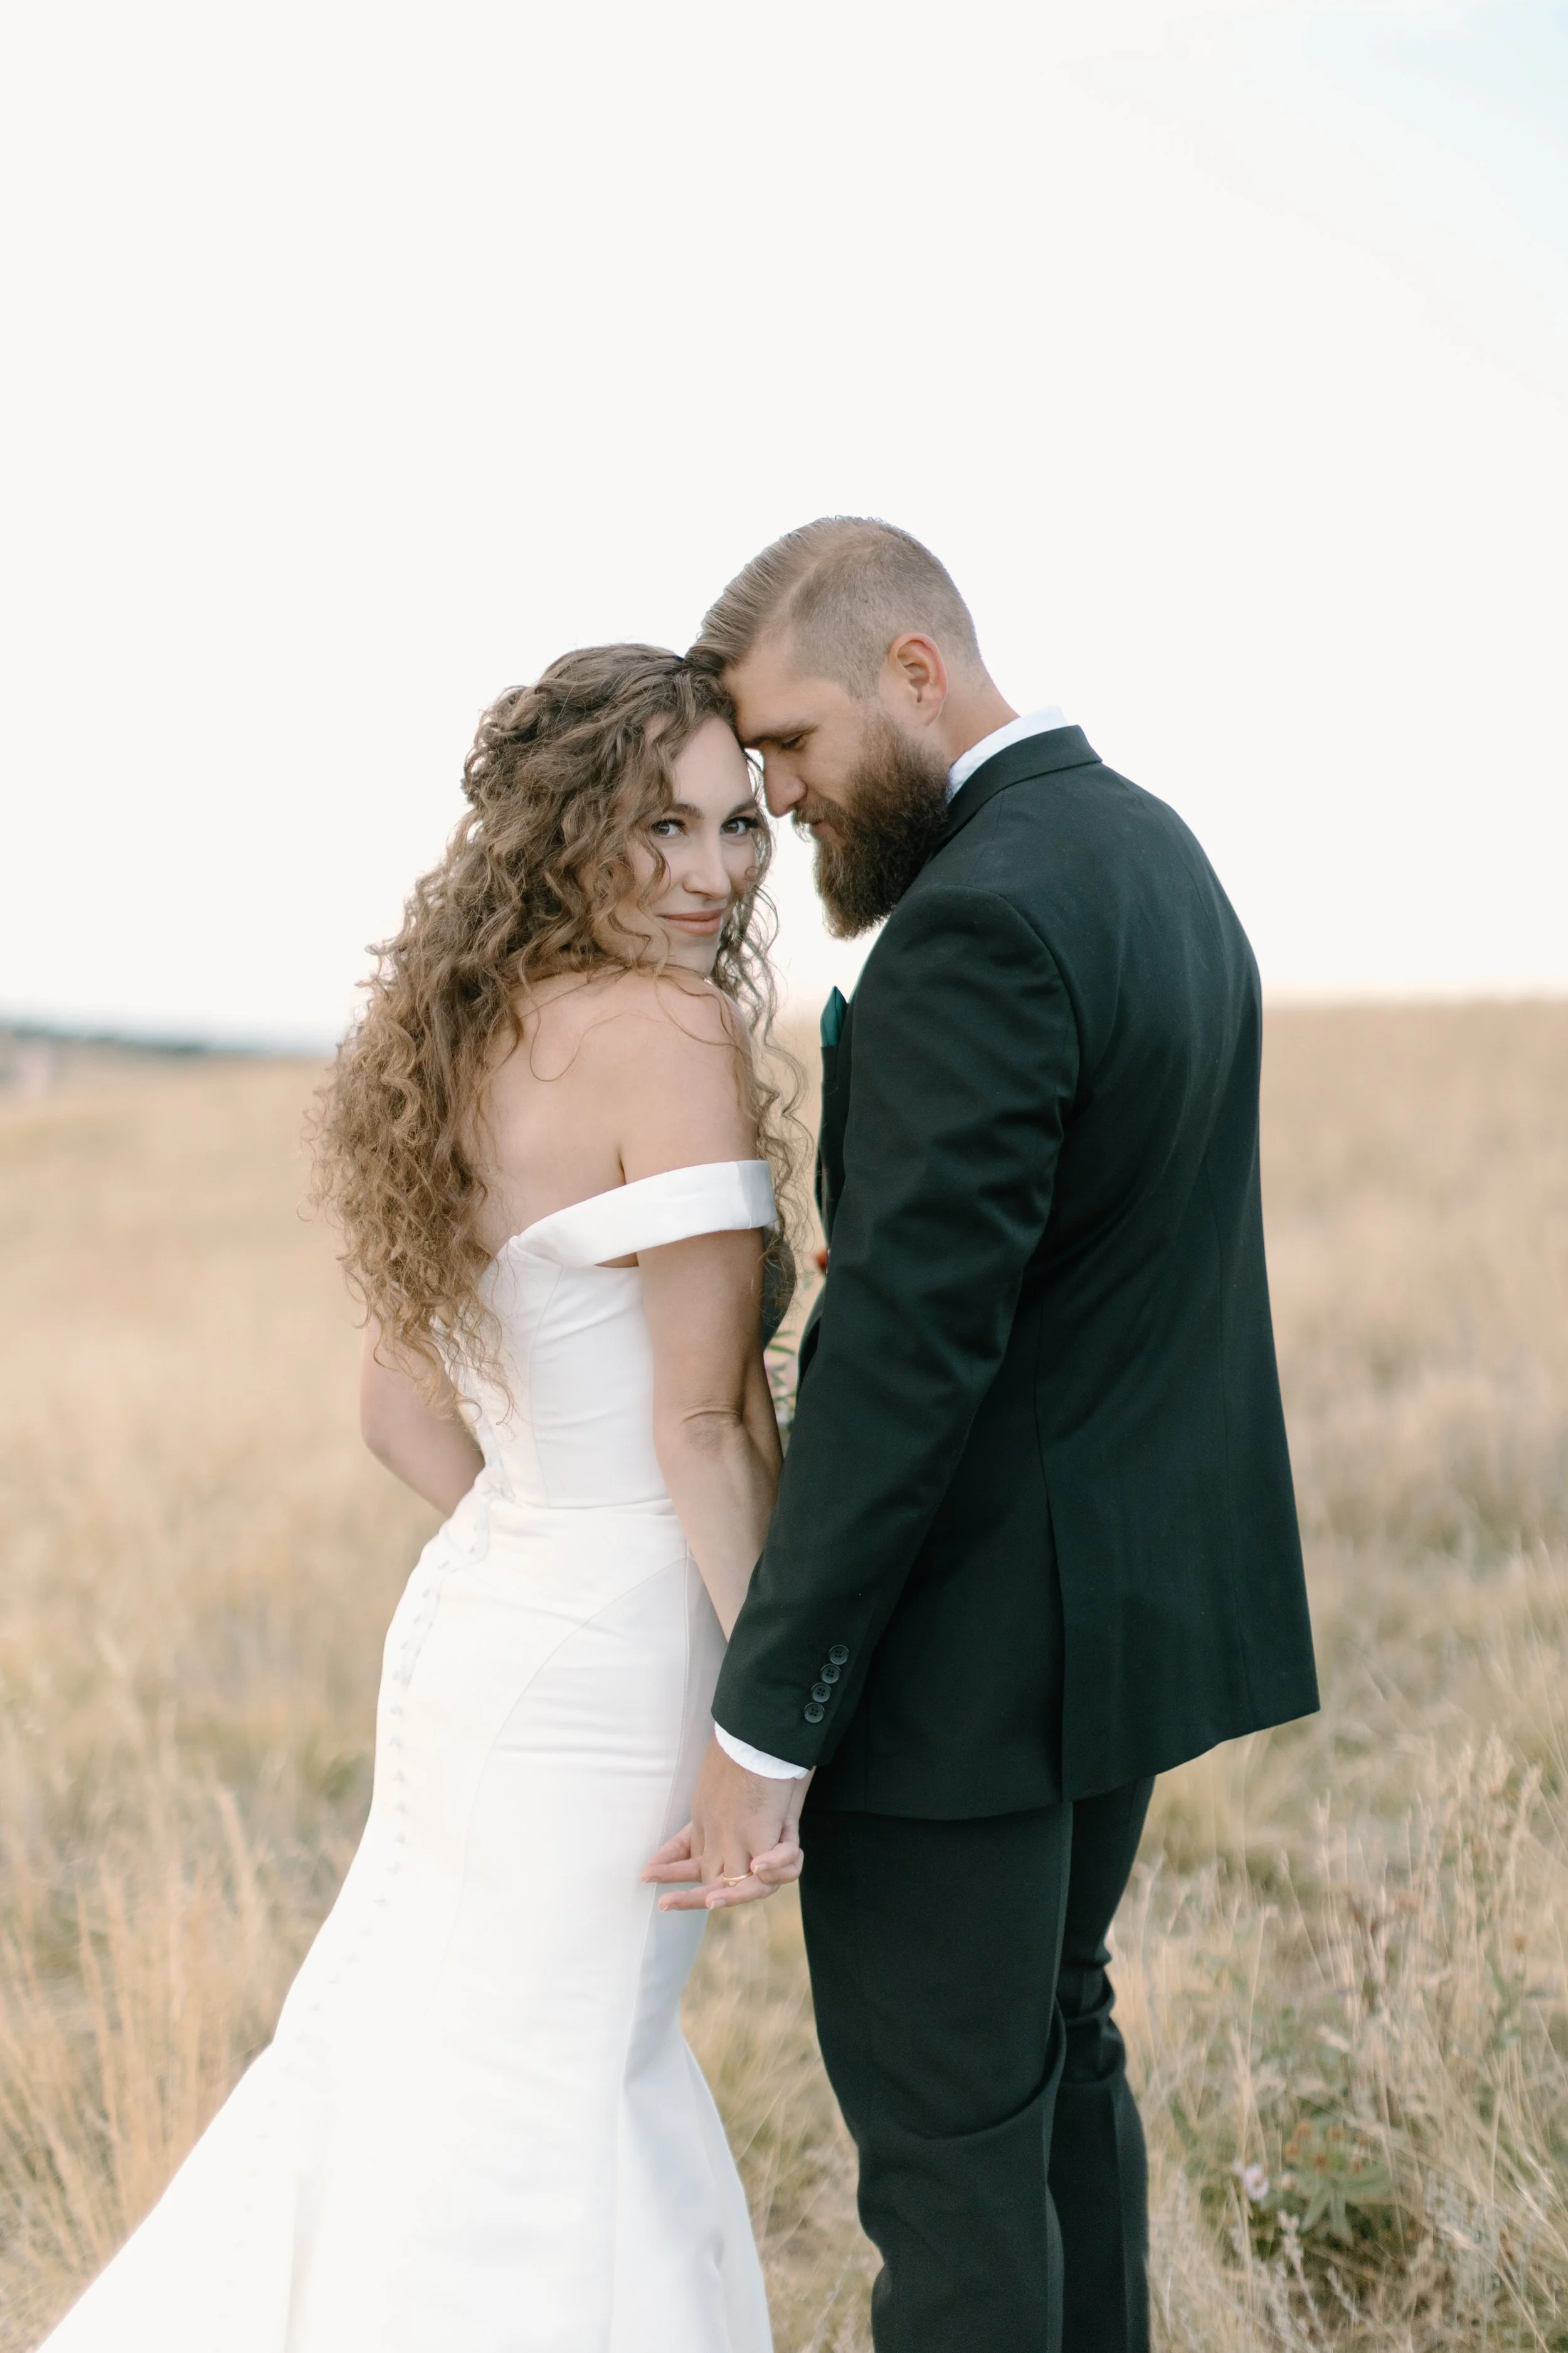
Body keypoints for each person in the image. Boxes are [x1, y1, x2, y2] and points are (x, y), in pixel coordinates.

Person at [41, 646, 795, 2353]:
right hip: (608, 1653)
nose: (709, 871)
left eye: (737, 824)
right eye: (657, 827)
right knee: (547, 2100)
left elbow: (394, 1406)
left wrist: (533, 1536)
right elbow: (700, 1422)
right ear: (561, 832)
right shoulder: (669, 1031)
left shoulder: (464, 1031)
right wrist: (783, 1723)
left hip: (479, 1621)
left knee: (432, 2066)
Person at [647, 519, 1320, 2353]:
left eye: (787, 746)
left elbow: (900, 1370)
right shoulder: (1147, 853)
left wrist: (763, 1723)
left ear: (914, 674)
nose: (776, 799)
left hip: (964, 1675)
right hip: (1112, 1636)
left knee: (945, 2169)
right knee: (1051, 2055)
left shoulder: (973, 925)